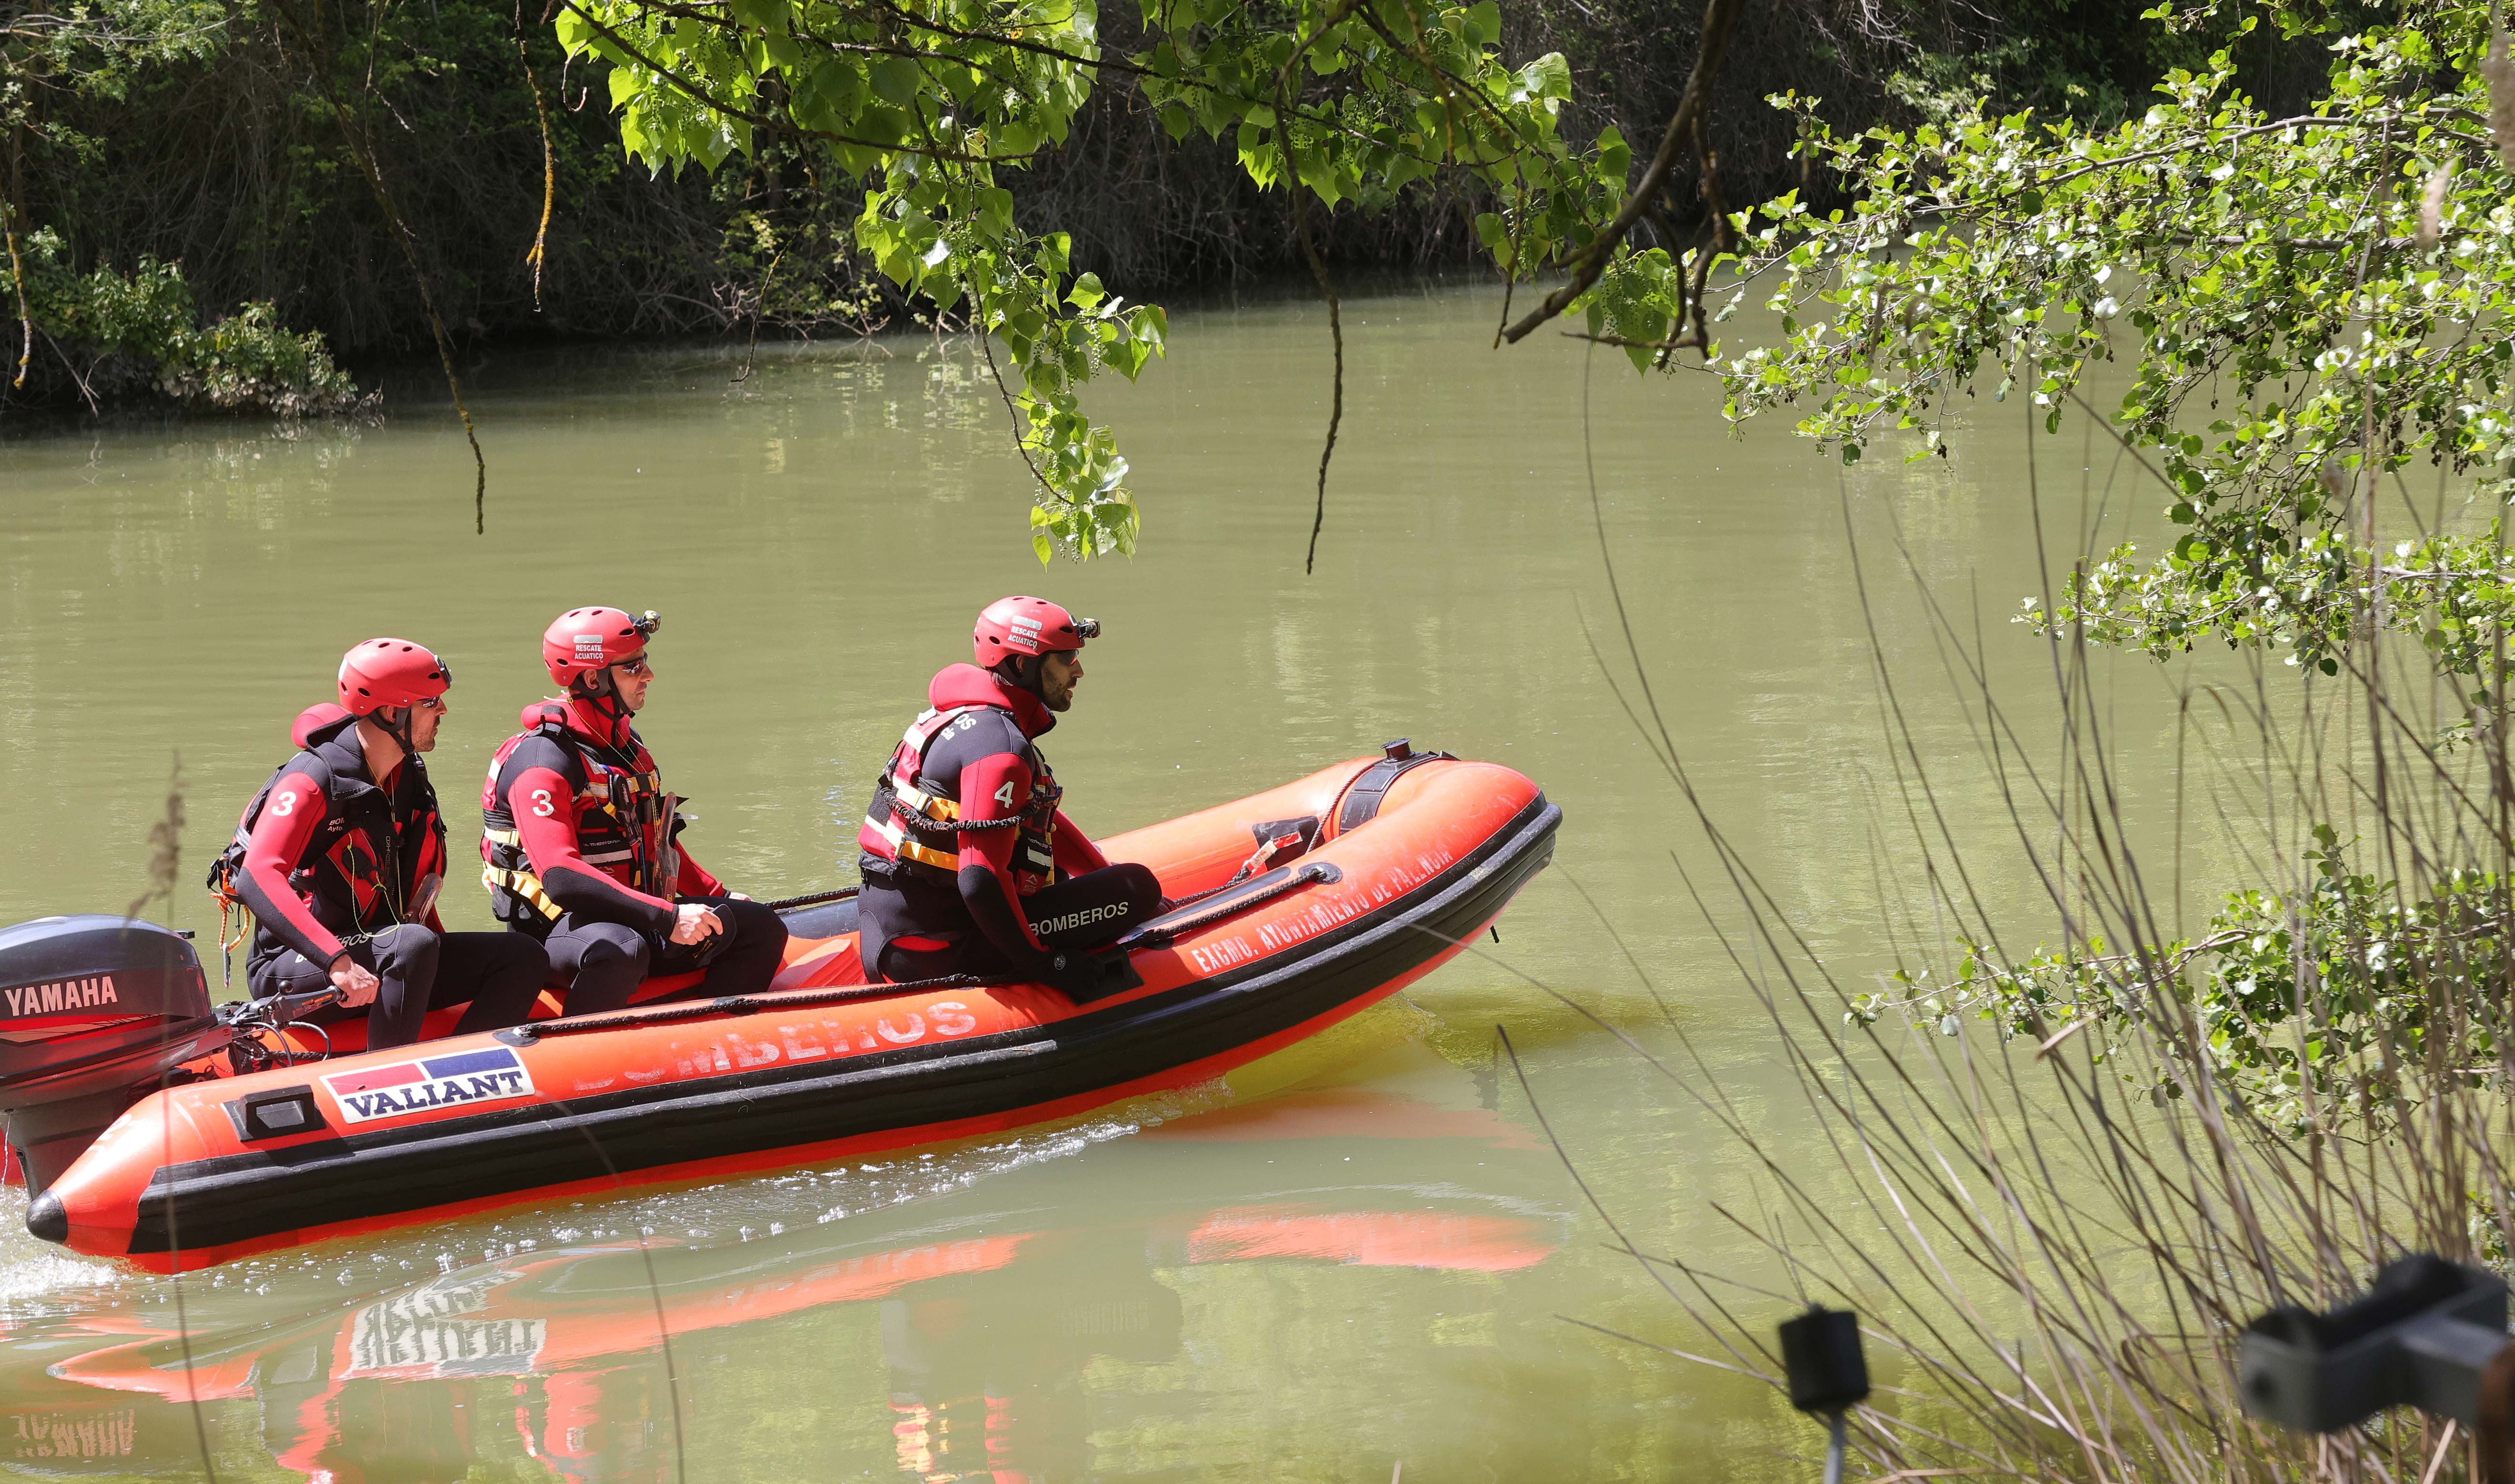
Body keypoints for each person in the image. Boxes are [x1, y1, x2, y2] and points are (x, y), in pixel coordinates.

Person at [216, 639, 546, 1051]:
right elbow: (257, 877)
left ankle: (466, 1070)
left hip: (383, 949)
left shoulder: (407, 778)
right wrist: (336, 961)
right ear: (393, 712)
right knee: (411, 945)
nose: (442, 710)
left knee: (522, 955)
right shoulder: (315, 779)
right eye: (430, 702)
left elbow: (413, 893)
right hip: (295, 965)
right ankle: (379, 1083)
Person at [480, 607, 787, 1014]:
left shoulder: (624, 746)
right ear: (593, 679)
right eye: (634, 666)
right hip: (560, 931)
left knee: (761, 927)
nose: (649, 675)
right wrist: (667, 916)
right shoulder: (543, 760)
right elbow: (561, 878)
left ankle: (712, 1038)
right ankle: (579, 1055)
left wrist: (719, 895)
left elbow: (657, 840)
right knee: (622, 949)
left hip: (639, 912)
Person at [856, 596, 1163, 990]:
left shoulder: (966, 716)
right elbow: (979, 879)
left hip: (893, 937)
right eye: (1067, 659)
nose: (1079, 671)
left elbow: (1036, 819)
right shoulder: (1001, 750)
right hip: (938, 951)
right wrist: (1044, 964)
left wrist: (1100, 873)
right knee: (1137, 887)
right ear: (1023, 665)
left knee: (1077, 879)